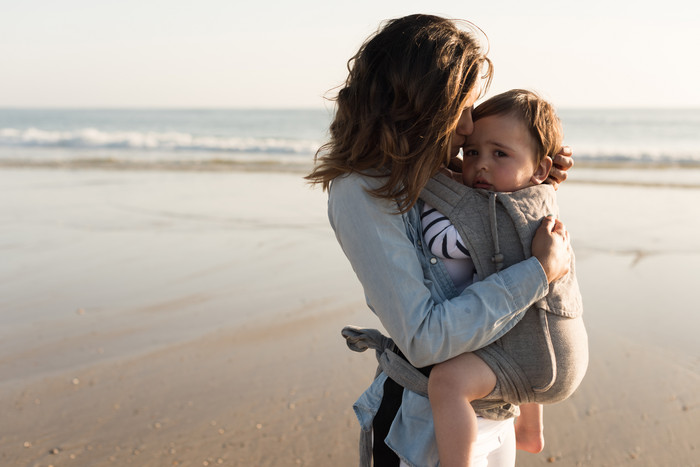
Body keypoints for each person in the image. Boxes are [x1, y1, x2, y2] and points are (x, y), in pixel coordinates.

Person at [305, 14, 574, 467]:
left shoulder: (432, 171)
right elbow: (425, 339)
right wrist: (539, 273)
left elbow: (489, 233)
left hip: (494, 409)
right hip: (423, 429)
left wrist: (530, 185)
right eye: (462, 109)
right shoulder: (361, 191)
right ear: (421, 106)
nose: (470, 127)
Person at [421, 89, 588, 467]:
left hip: (542, 360)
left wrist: (417, 178)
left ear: (542, 168)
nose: (479, 166)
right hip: (558, 347)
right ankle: (530, 431)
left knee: (447, 384)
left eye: (499, 154)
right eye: (471, 152)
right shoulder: (535, 195)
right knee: (518, 320)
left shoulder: (499, 211)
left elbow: (444, 219)